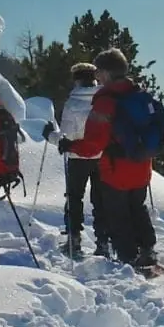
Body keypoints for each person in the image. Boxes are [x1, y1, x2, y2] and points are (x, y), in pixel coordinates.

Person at [57, 49, 158, 271]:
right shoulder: (141, 95)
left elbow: (94, 143)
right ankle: (148, 249)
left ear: (106, 72)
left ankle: (128, 260)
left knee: (117, 213)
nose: (98, 77)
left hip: (115, 168)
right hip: (141, 166)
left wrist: (71, 146)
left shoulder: (105, 102)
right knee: (137, 207)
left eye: (100, 72)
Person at [42, 63, 106, 260]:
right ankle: (103, 242)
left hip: (78, 158)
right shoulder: (103, 100)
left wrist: (50, 135)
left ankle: (74, 240)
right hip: (102, 156)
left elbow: (66, 137)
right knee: (101, 200)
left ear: (77, 80)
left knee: (74, 198)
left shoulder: (73, 102)